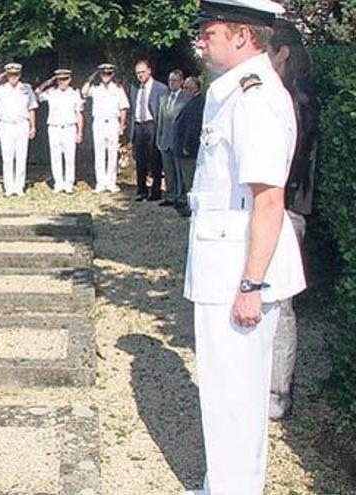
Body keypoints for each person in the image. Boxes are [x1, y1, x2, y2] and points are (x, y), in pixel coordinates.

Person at [184, 1, 306, 494]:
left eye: (209, 30)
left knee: (236, 395)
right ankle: (224, 485)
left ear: (241, 35)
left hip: (240, 267)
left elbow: (269, 198)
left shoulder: (255, 96)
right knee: (222, 391)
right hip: (222, 262)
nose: (200, 39)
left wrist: (251, 283)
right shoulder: (231, 92)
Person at [266, 17, 320, 421]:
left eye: (268, 51)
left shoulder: (296, 101)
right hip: (284, 206)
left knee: (280, 302)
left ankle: (278, 392)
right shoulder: (290, 96)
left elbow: (290, 163)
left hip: (287, 207)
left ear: (283, 53)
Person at [0, 62, 38, 197]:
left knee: (21, 157)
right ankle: (9, 187)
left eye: (16, 75)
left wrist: (33, 126)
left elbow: (31, 108)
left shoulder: (26, 88)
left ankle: (19, 187)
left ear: (19, 75)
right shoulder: (0, 89)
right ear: (7, 75)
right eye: (10, 75)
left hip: (22, 124)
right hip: (6, 125)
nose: (13, 77)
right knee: (7, 157)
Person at [81, 63, 129, 193]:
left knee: (113, 153)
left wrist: (122, 124)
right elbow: (83, 92)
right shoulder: (95, 88)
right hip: (99, 122)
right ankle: (101, 183)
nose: (105, 76)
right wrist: (92, 77)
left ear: (112, 75)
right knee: (99, 153)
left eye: (108, 74)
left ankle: (111, 182)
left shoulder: (118, 89)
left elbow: (123, 107)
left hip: (113, 122)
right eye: (103, 73)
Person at [36, 69, 84, 193]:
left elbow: (79, 114)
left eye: (65, 79)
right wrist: (47, 82)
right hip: (54, 128)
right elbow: (37, 93)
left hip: (69, 128)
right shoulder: (51, 93)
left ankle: (69, 184)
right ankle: (58, 182)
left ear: (69, 79)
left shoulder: (74, 93)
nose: (63, 82)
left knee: (69, 157)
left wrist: (79, 132)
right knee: (55, 156)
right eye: (60, 80)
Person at [128, 60, 169, 201]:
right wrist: (131, 132)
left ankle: (156, 191)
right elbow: (133, 110)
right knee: (140, 160)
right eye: (138, 73)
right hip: (139, 125)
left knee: (155, 159)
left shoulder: (161, 88)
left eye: (142, 72)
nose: (140, 75)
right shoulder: (135, 88)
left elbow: (164, 111)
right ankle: (141, 190)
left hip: (153, 125)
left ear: (149, 71)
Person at [172, 76, 205, 217]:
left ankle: (192, 207)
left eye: (186, 88)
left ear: (194, 89)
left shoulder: (196, 104)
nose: (184, 91)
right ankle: (188, 204)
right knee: (186, 179)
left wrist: (187, 146)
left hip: (188, 151)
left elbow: (192, 127)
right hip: (184, 148)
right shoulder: (193, 102)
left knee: (190, 179)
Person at [155, 69, 189, 206]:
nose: (172, 83)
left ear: (181, 82)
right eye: (170, 81)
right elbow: (160, 122)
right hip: (164, 141)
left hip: (178, 141)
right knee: (168, 171)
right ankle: (170, 195)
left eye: (174, 81)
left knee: (179, 172)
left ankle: (181, 197)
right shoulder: (164, 99)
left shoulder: (186, 99)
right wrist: (158, 139)